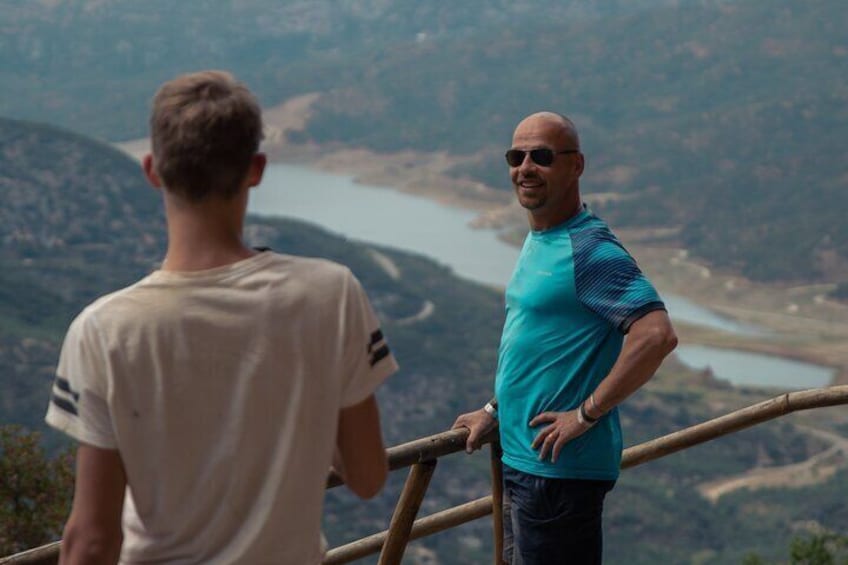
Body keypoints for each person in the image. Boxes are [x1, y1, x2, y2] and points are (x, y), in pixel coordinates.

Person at [45, 70, 397, 565]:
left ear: (152, 170)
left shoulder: (104, 330)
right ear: (255, 169)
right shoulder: (332, 293)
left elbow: (93, 540)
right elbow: (367, 475)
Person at [453, 111, 677, 565]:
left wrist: (586, 414)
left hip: (557, 478)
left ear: (576, 166)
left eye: (542, 156)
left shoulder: (590, 250)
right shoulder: (542, 238)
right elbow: (540, 347)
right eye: (516, 157)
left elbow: (656, 335)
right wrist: (494, 409)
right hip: (523, 463)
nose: (525, 168)